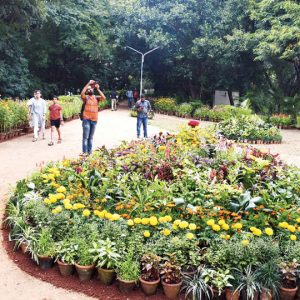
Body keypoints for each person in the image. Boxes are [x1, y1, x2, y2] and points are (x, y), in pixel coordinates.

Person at [80, 80, 106, 154]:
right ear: (87, 91)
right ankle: (84, 153)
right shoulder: (86, 98)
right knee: (85, 138)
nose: (89, 89)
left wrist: (98, 89)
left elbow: (104, 97)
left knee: (91, 138)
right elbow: (82, 93)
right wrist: (88, 83)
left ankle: (90, 152)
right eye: (88, 89)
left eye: (91, 88)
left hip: (94, 120)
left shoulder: (96, 98)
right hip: (86, 120)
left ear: (93, 90)